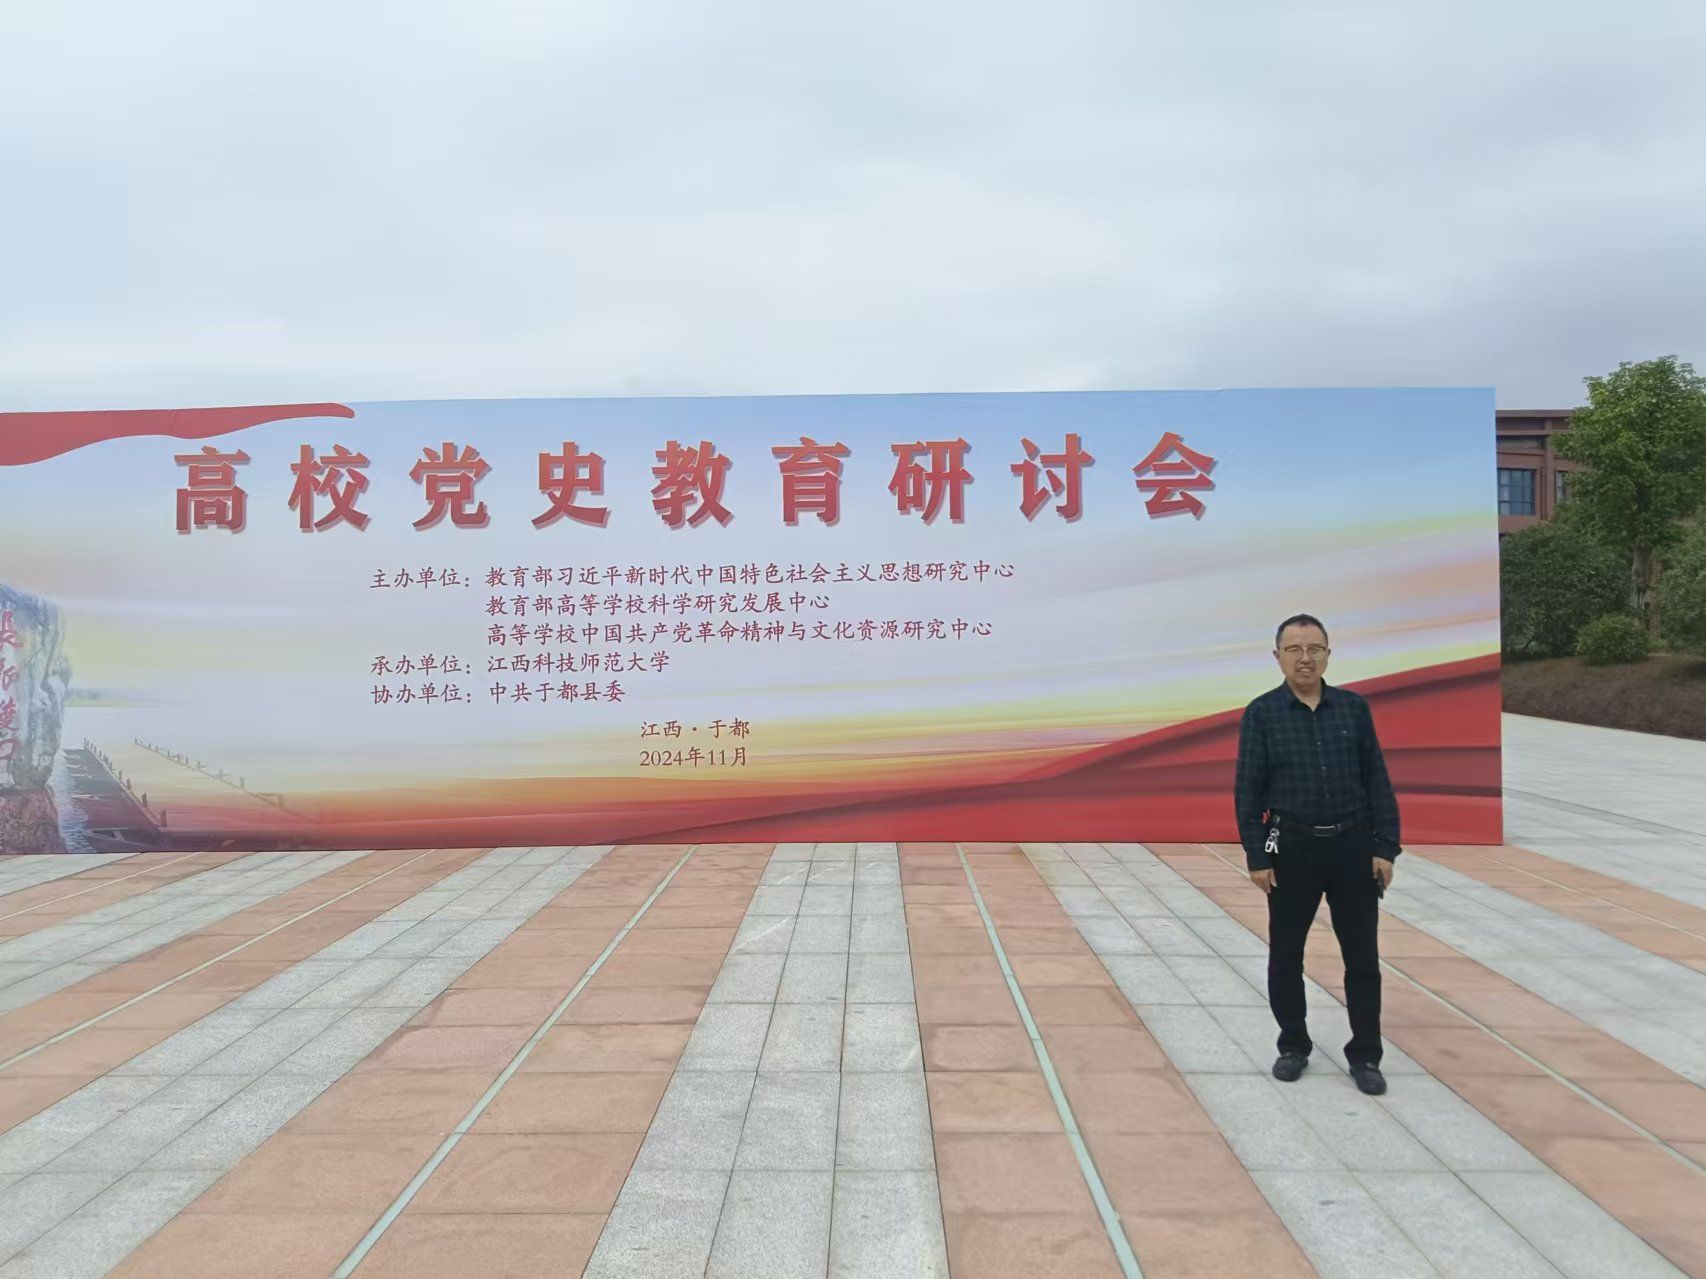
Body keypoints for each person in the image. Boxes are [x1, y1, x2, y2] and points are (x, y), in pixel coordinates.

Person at [1233, 613, 1401, 1095]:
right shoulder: (1262, 713)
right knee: (1286, 954)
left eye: (1314, 649)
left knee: (1363, 957)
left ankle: (1365, 1055)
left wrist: (1384, 847)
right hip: (1292, 848)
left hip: (1353, 847)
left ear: (1328, 654)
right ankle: (1293, 1045)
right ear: (1278, 657)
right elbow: (1248, 793)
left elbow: (1377, 780)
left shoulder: (1353, 709)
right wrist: (1258, 856)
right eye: (1294, 649)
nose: (1305, 658)